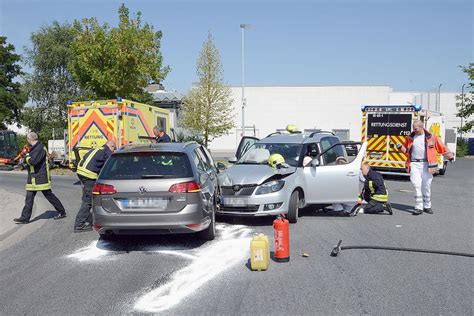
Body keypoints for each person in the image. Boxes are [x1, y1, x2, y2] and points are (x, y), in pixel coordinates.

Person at [396, 120, 453, 215]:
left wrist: (449, 156)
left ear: (422, 127)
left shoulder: (432, 137)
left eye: (416, 129)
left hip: (428, 165)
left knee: (426, 186)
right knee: (416, 185)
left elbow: (441, 147)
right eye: (413, 129)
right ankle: (418, 207)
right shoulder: (410, 138)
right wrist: (400, 147)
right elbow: (406, 150)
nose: (414, 131)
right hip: (414, 164)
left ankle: (427, 206)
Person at [14, 132, 67, 224]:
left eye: (27, 140)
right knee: (29, 198)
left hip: (41, 177)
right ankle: (25, 218)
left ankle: (61, 212)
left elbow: (33, 162)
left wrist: (26, 156)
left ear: (30, 139)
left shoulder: (40, 148)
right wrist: (23, 166)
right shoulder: (34, 148)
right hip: (33, 177)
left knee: (49, 195)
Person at [74, 140, 116, 232]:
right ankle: (79, 225)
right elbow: (111, 164)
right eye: (114, 148)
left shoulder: (98, 148)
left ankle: (86, 220)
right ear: (112, 146)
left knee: (86, 197)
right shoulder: (107, 151)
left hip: (81, 172)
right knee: (88, 201)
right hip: (88, 175)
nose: (113, 151)